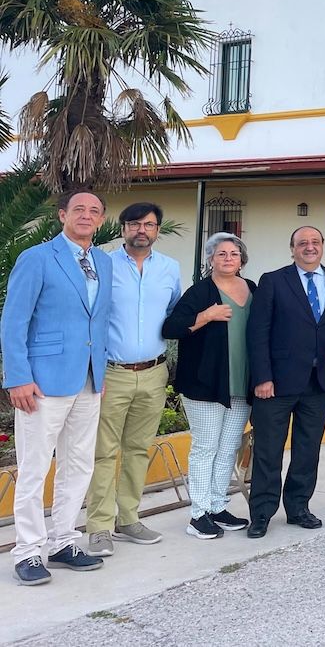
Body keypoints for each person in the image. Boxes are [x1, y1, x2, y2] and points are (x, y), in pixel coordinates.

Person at [2, 190, 112, 585]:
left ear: (100, 220)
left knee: (78, 464)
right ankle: (28, 550)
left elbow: (97, 320)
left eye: (94, 211)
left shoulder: (102, 261)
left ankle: (64, 541)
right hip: (42, 382)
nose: (86, 215)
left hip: (88, 379)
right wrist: (17, 376)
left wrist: (101, 369)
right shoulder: (37, 258)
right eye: (78, 209)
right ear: (62, 215)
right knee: (34, 467)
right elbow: (14, 321)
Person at [84, 203, 181, 557]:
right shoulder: (102, 264)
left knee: (139, 449)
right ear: (123, 228)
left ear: (157, 229)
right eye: (135, 224)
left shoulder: (170, 268)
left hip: (154, 373)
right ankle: (99, 527)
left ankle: (128, 518)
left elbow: (174, 315)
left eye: (150, 224)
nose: (142, 230)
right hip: (112, 373)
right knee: (103, 452)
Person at [246, 226, 325, 538]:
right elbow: (258, 330)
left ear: (322, 247)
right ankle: (261, 514)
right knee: (268, 452)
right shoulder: (273, 280)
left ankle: (298, 508)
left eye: (315, 242)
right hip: (275, 384)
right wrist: (262, 377)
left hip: (317, 382)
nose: (309, 247)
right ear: (292, 249)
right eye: (302, 243)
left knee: (307, 451)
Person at [162, 233, 256, 539]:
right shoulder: (200, 292)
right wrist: (207, 315)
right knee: (205, 448)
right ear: (210, 260)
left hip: (241, 384)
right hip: (206, 383)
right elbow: (172, 327)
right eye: (221, 254)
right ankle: (198, 514)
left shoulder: (252, 289)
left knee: (228, 448)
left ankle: (218, 506)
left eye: (233, 253)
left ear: (242, 259)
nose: (228, 258)